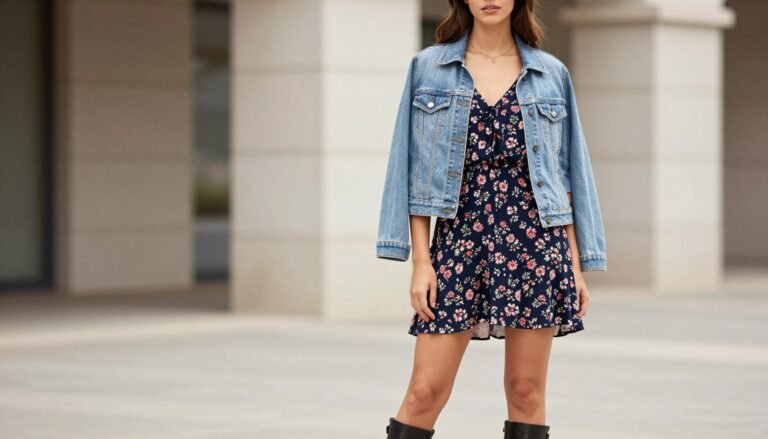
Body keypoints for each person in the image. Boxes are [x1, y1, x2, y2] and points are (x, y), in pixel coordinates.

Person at [377, 0, 608, 438]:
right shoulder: (429, 68)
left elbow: (568, 175)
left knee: (526, 391)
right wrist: (421, 262)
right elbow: (409, 170)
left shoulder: (550, 74)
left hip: (536, 243)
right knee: (425, 391)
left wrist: (576, 265)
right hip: (459, 241)